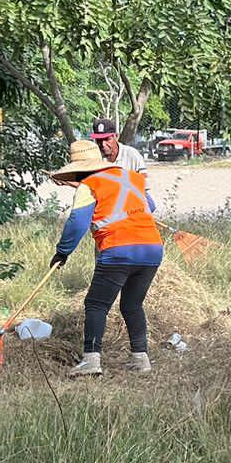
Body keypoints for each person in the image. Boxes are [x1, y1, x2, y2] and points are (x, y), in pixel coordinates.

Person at [49, 139, 164, 376]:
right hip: (152, 248)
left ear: (79, 169)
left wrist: (62, 252)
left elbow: (77, 223)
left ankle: (91, 361)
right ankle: (140, 359)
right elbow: (149, 206)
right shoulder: (131, 177)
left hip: (119, 249)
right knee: (132, 305)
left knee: (96, 304)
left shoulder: (89, 185)